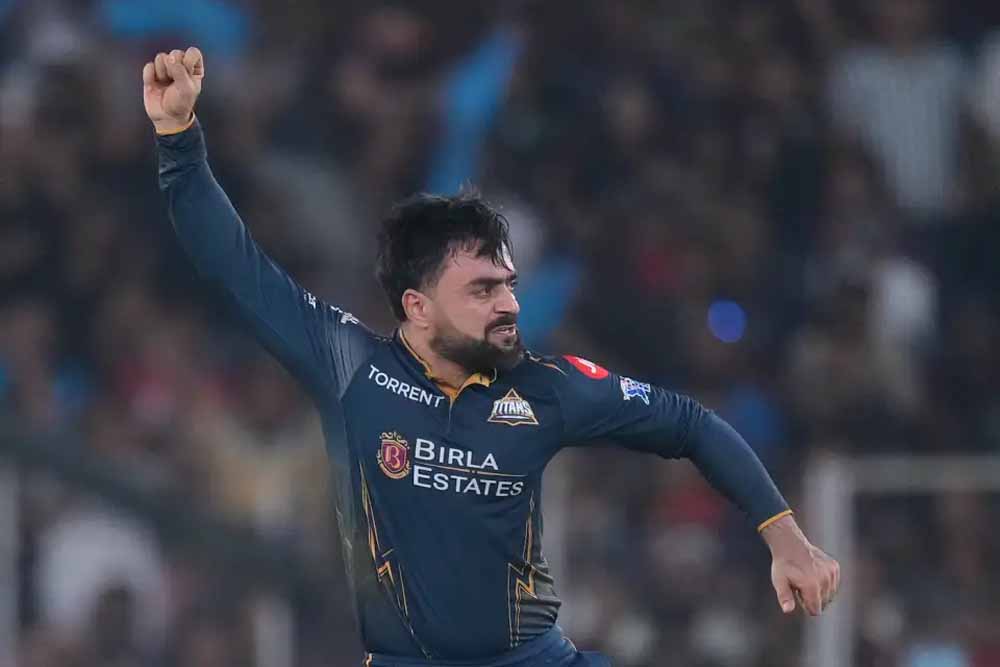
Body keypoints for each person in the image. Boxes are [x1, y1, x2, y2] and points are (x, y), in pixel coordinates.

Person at [143, 47, 840, 667]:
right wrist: (179, 139)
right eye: (482, 290)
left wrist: (785, 537)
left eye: (508, 284)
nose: (508, 304)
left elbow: (690, 423)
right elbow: (235, 264)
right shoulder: (352, 367)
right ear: (417, 306)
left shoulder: (546, 388)